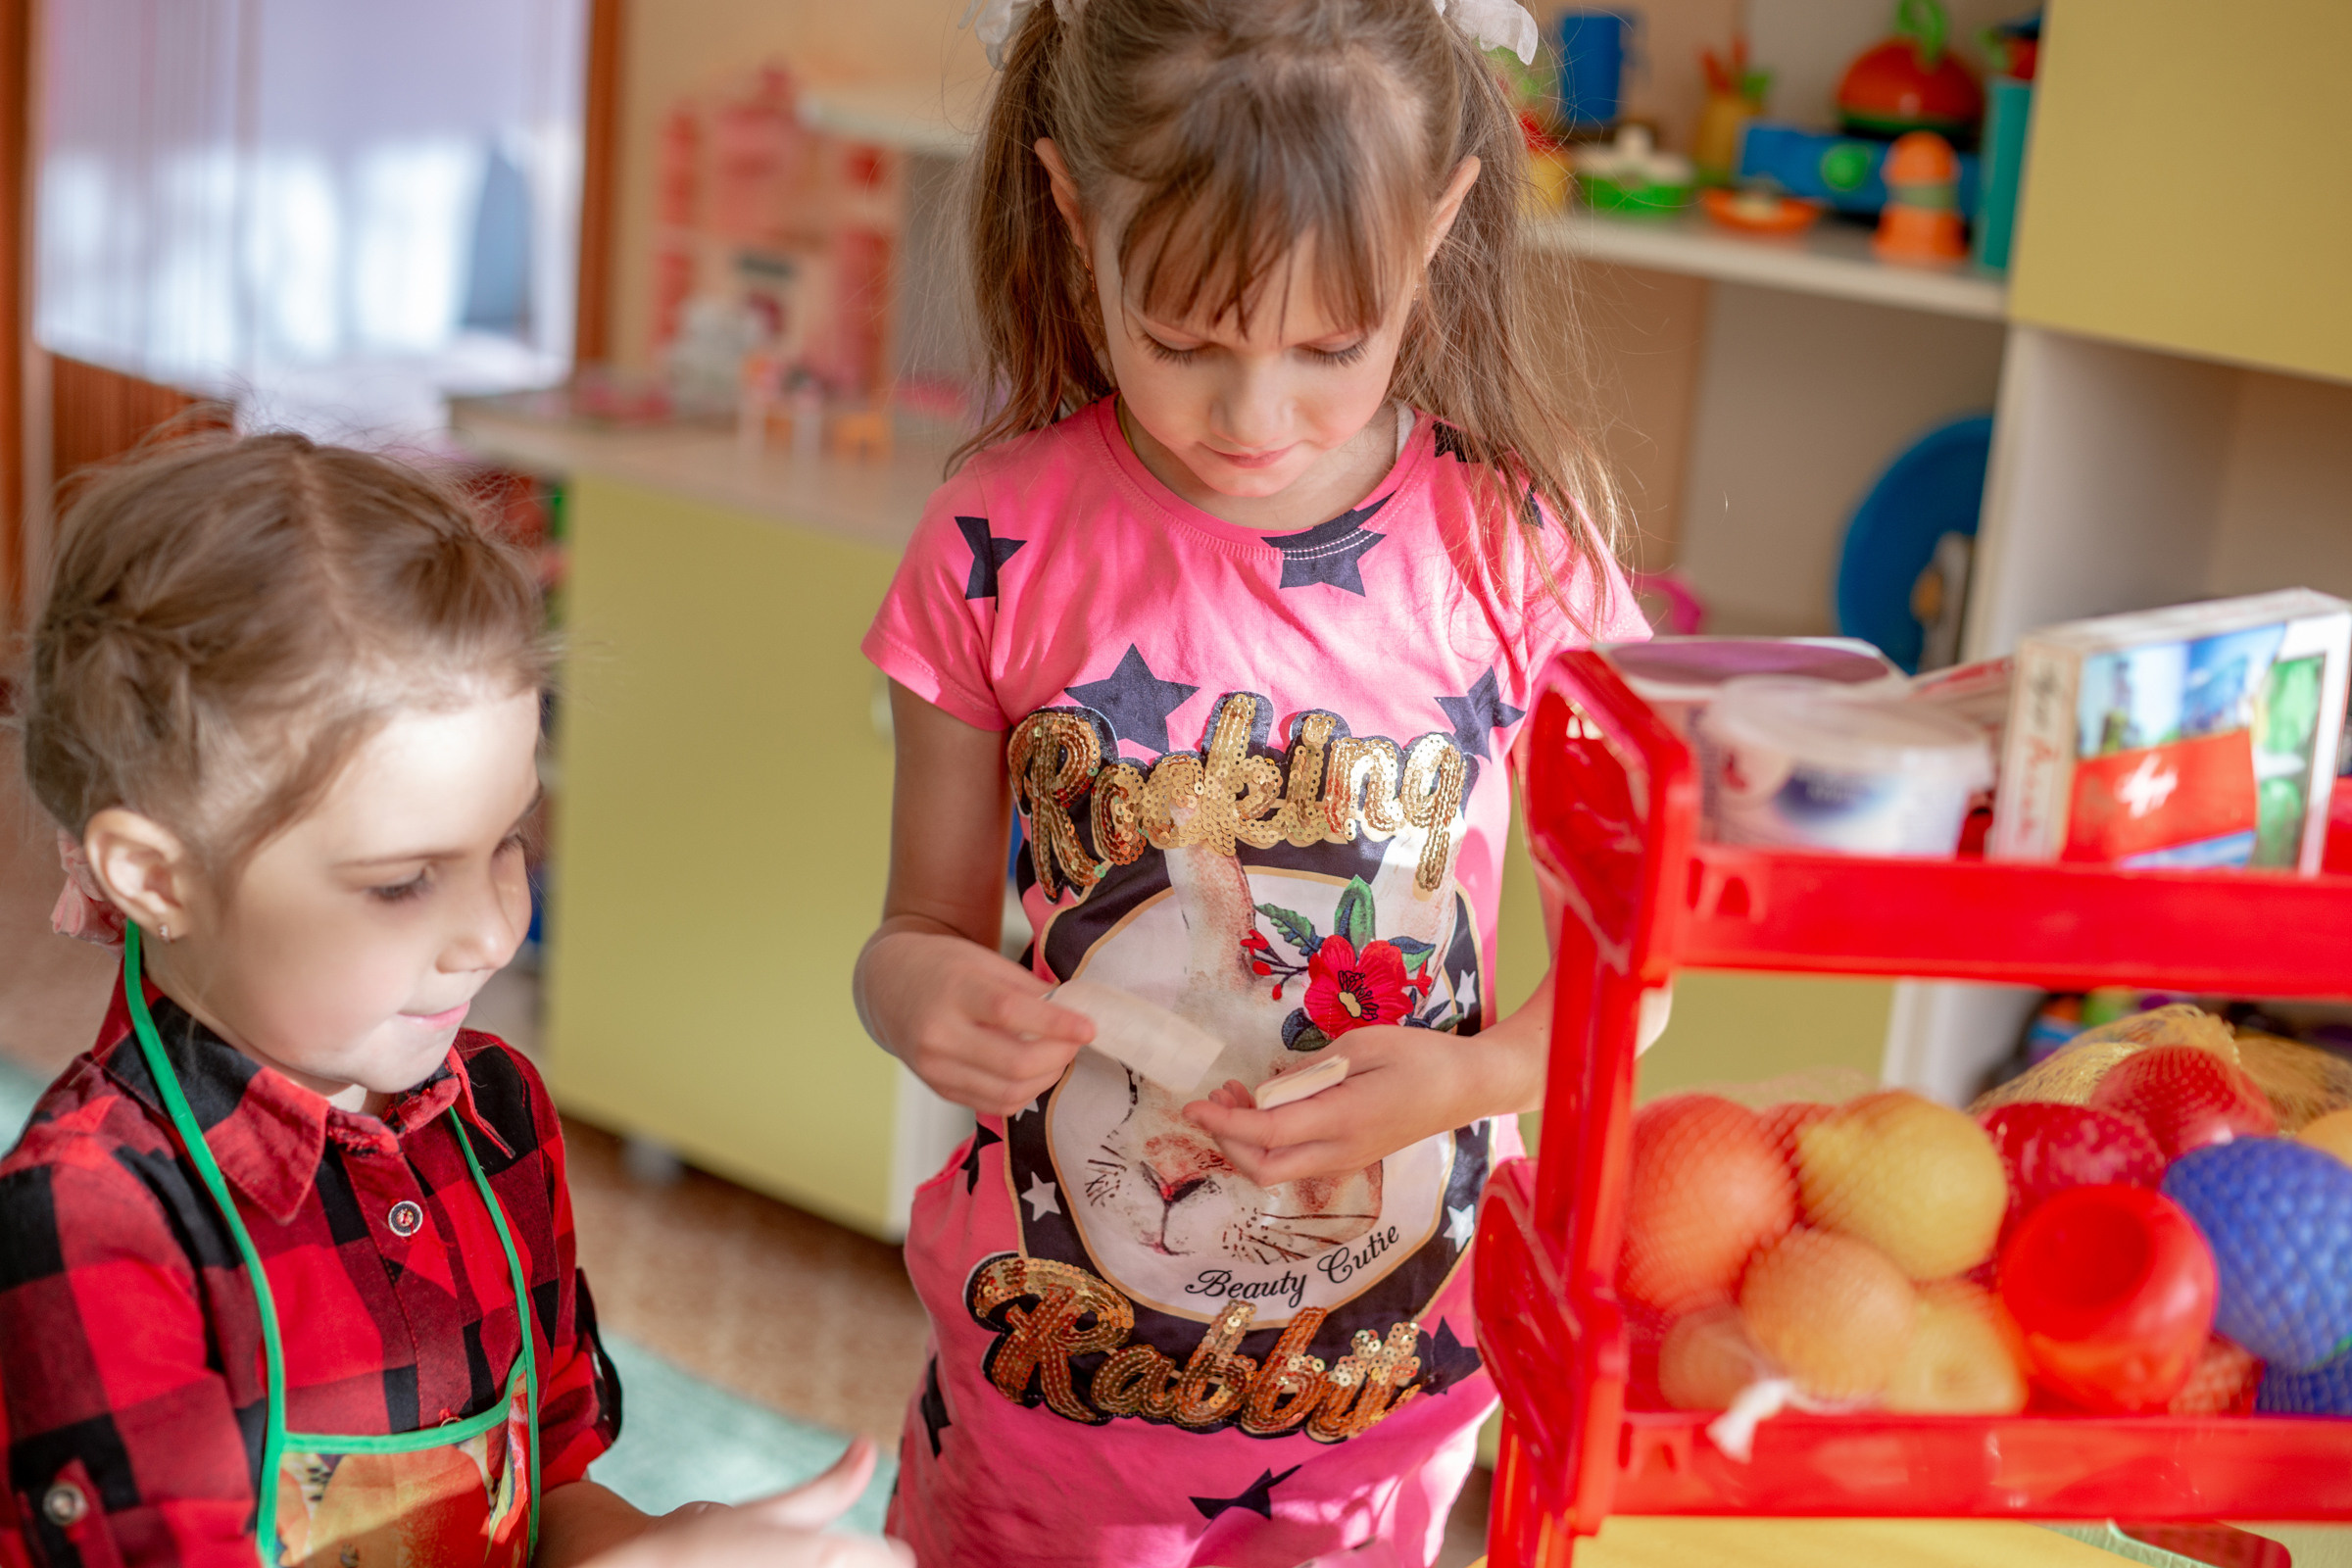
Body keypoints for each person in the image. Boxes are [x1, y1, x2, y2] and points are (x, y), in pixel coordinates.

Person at [852, 0, 1647, 1562]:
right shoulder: (991, 548)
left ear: (1436, 232)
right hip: (1047, 1404)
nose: (1254, 417)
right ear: (1077, 215)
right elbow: (913, 939)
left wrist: (1479, 1078)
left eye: (1328, 348)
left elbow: (1639, 988)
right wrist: (918, 997)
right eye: (1187, 342)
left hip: (1379, 1416)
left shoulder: (1519, 563)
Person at [1, 434, 909, 1568]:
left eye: (509, 841)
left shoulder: (495, 1115)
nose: (493, 929)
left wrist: (664, 1548)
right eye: (400, 882)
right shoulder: (92, 1223)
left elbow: (555, 1487)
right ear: (156, 875)